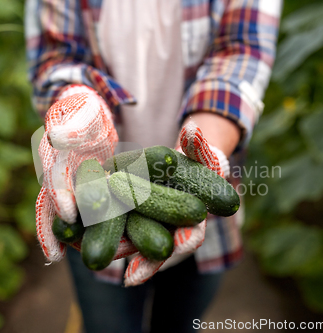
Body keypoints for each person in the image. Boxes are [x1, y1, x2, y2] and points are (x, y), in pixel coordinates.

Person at [25, 0, 281, 332]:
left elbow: (239, 55)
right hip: (85, 186)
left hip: (202, 195)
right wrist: (78, 110)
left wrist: (207, 142)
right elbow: (55, 59)